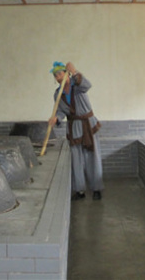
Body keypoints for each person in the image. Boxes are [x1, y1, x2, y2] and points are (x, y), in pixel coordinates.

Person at [48, 61, 104, 200]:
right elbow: (61, 111)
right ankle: (79, 190)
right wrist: (56, 118)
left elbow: (87, 85)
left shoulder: (77, 85)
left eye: (60, 74)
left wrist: (76, 72)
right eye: (55, 76)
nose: (58, 77)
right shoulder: (57, 94)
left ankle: (96, 188)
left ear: (66, 74)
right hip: (74, 127)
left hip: (88, 124)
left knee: (92, 157)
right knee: (76, 158)